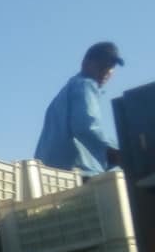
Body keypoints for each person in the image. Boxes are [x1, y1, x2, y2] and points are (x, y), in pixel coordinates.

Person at [35, 41, 124, 176]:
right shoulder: (85, 85)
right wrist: (117, 155)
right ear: (85, 64)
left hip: (48, 174)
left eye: (111, 67)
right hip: (76, 173)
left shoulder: (67, 92)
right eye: (102, 65)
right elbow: (85, 127)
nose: (106, 71)